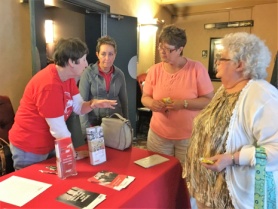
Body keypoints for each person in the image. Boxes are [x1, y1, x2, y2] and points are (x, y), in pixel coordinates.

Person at [185, 32, 278, 209]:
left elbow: (276, 150)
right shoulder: (224, 90)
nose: (216, 62)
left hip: (233, 198)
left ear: (240, 65)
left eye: (222, 58)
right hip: (208, 191)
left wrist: (233, 158)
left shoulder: (262, 95)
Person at [9, 37, 117, 170]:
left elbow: (78, 106)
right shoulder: (49, 85)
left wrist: (93, 104)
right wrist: (72, 153)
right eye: (83, 59)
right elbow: (59, 130)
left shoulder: (68, 78)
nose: (86, 64)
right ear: (71, 62)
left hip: (49, 143)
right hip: (29, 147)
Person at [141, 25, 214, 166]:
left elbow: (209, 100)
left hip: (188, 137)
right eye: (160, 47)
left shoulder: (196, 68)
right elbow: (145, 97)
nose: (162, 52)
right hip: (158, 136)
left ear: (180, 49)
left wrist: (183, 104)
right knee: (158, 174)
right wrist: (151, 104)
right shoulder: (154, 70)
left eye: (168, 49)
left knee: (185, 176)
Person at [79, 36, 128, 137]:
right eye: (103, 54)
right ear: (97, 54)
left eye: (110, 54)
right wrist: (85, 129)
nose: (107, 58)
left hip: (115, 123)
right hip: (94, 125)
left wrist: (127, 123)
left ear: (115, 55)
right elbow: (81, 104)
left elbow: (124, 101)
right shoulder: (88, 73)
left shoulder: (120, 74)